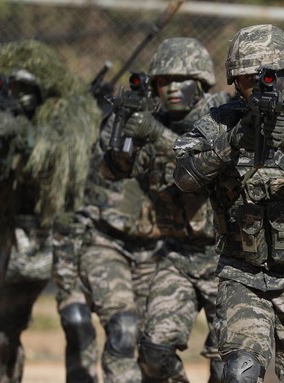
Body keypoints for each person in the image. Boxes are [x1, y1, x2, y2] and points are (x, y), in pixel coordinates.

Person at [173, 24, 284, 382]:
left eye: (269, 78)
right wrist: (231, 142)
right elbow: (184, 177)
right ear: (235, 83)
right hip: (243, 274)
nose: (259, 87)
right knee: (239, 373)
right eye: (247, 79)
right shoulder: (220, 123)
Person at [0, 40, 101, 383]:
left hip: (65, 236)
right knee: (2, 335)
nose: (17, 97)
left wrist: (22, 134)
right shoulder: (0, 128)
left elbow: (56, 160)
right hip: (24, 239)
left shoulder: (64, 122)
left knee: (77, 322)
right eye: (11, 88)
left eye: (24, 89)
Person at [92, 37, 231, 382]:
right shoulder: (149, 118)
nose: (169, 89)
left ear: (200, 82)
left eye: (178, 80)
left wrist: (155, 133)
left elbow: (207, 161)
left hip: (227, 259)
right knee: (153, 354)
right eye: (161, 82)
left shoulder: (224, 116)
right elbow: (112, 171)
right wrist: (126, 133)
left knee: (229, 365)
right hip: (176, 255)